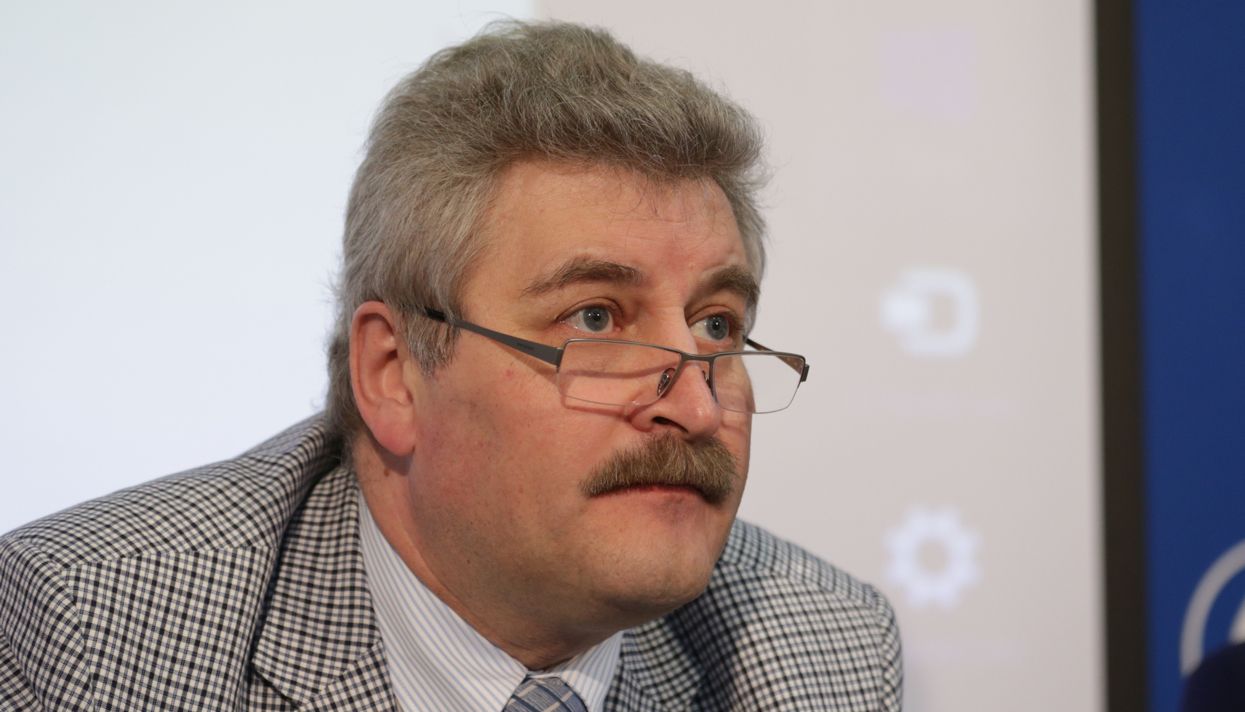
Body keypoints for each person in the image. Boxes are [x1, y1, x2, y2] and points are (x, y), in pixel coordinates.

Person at [0, 21, 901, 711]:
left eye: (715, 327)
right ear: (394, 374)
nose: (696, 409)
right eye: (595, 319)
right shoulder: (102, 629)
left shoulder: (817, 650)